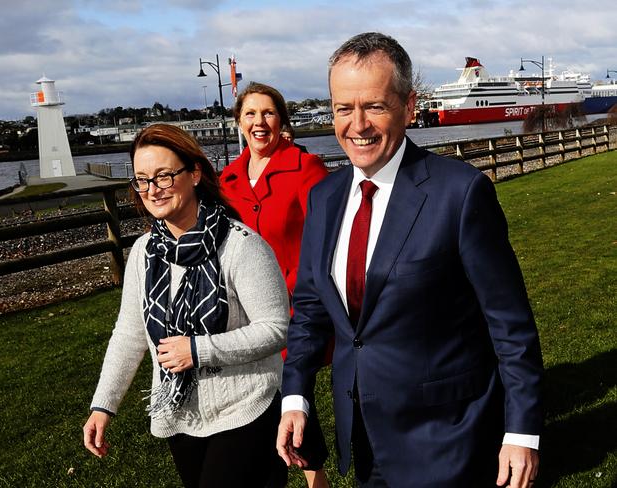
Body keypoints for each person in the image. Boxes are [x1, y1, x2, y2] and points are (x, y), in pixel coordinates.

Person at [277, 32, 544, 488]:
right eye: (344, 108)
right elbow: (310, 311)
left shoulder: (458, 193)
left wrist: (521, 432)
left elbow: (510, 326)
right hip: (363, 437)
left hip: (448, 439)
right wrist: (295, 394)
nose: (356, 124)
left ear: (408, 105)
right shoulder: (323, 198)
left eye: (374, 106)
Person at [83, 123, 290, 488]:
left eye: (164, 176)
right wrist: (103, 405)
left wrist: (199, 350)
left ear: (194, 173)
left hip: (245, 409)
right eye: (142, 180)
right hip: (181, 415)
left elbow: (274, 328)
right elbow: (129, 334)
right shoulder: (144, 254)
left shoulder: (241, 246)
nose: (152, 190)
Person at [220, 82, 330, 488]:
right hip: (244, 317)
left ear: (282, 120)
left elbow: (330, 237)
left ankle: (316, 479)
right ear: (239, 122)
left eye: (268, 113)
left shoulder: (307, 169)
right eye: (250, 114)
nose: (259, 122)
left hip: (295, 311)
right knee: (259, 412)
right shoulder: (226, 180)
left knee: (295, 407)